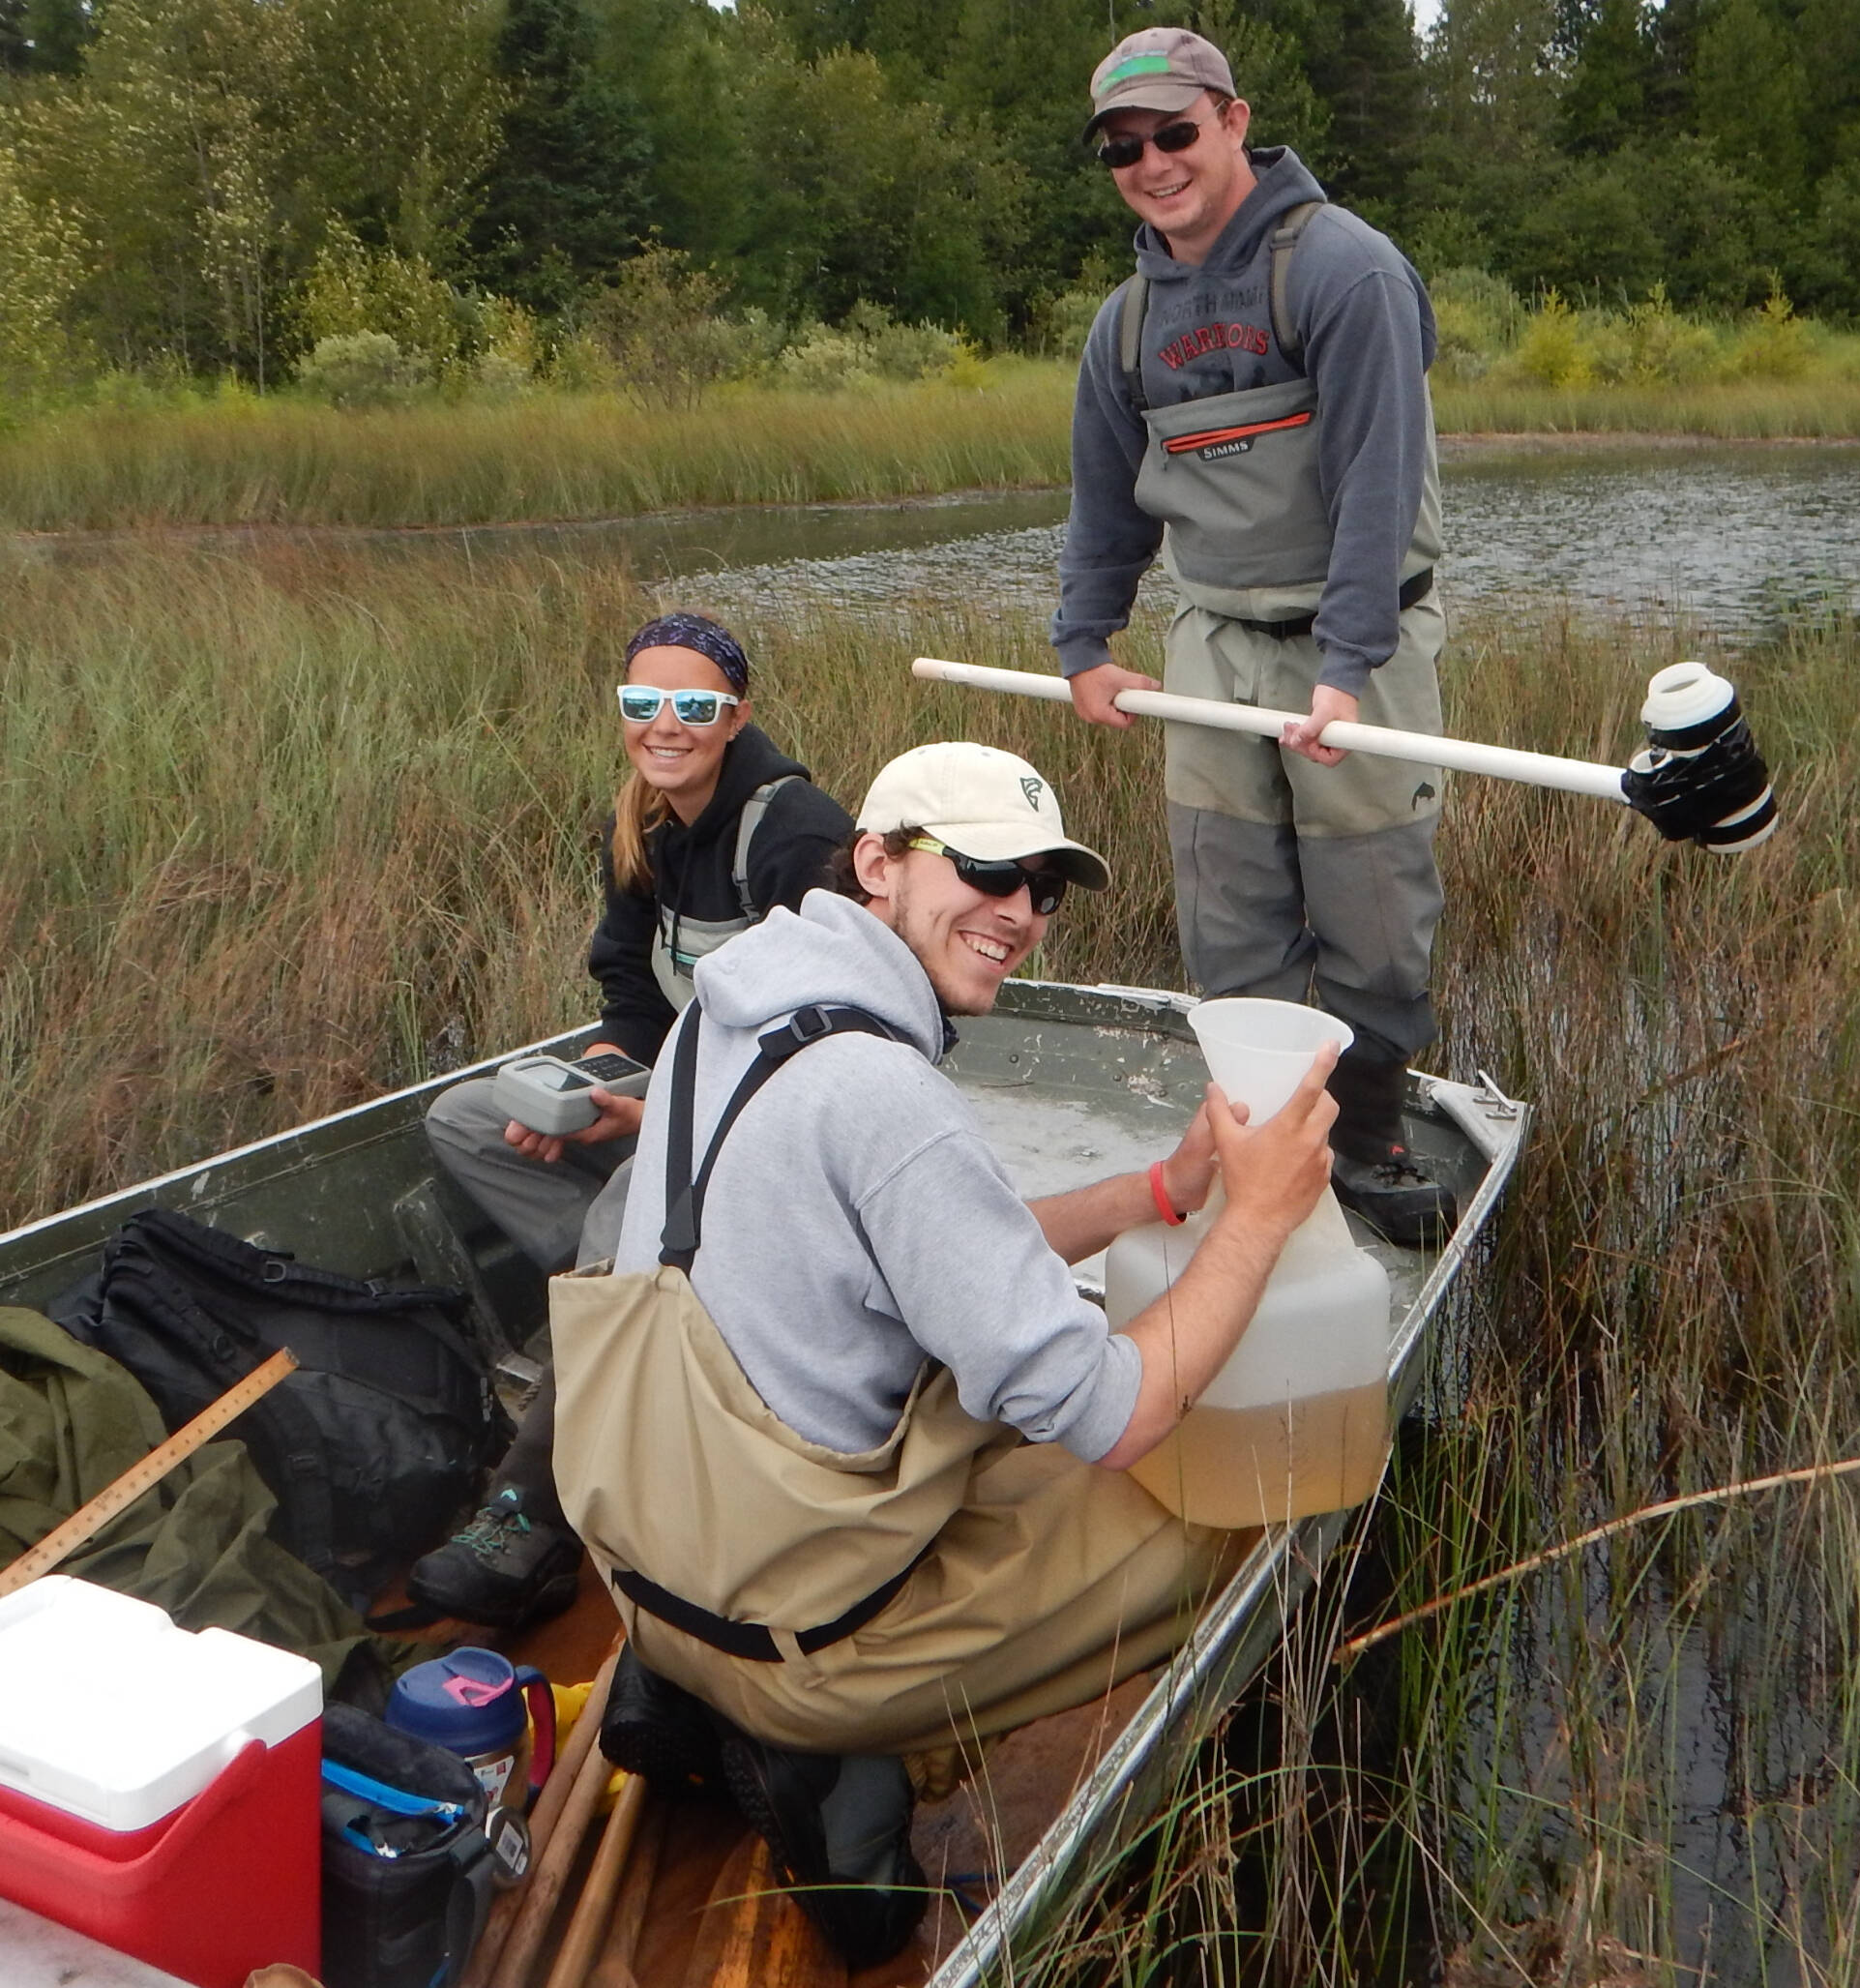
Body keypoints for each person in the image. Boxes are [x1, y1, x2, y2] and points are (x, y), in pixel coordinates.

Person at [551, 741, 1338, 1962]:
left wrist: (1164, 1191)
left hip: (653, 1564)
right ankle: (838, 1759)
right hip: (790, 1638)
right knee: (1227, 1510)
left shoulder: (735, 1010)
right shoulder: (883, 1092)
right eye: (983, 869)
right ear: (877, 862)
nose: (1017, 913)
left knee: (1012, 1435)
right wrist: (1259, 1217)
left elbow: (939, 1248)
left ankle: (687, 1687)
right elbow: (1113, 1410)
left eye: (1043, 888)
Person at [1052, 25, 1455, 1245]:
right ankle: (1270, 1139)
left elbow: (1376, 489)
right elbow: (1103, 502)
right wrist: (1084, 646)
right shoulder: (1122, 327)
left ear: (1232, 120)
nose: (1152, 162)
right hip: (1211, 639)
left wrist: (1344, 669)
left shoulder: (1346, 271)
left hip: (1359, 635)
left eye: (1173, 131)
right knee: (1228, 908)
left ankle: (1369, 1132)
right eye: (1124, 146)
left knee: (1370, 898)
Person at [410, 609, 852, 1628]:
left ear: (734, 716)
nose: (665, 724)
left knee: (625, 1220)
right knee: (465, 1121)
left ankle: (525, 1513)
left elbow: (823, 1044)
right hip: (668, 1104)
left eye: (692, 705)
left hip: (771, 1125)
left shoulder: (797, 837)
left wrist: (646, 1116)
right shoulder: (647, 821)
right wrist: (597, 1086)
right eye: (641, 702)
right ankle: (663, 1308)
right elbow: (632, 997)